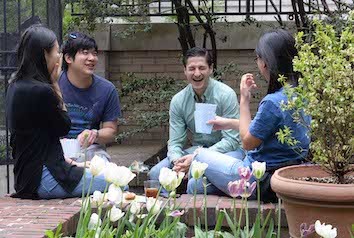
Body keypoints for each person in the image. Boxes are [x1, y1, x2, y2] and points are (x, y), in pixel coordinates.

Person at [187, 30, 311, 202]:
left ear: (266, 63)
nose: (258, 63)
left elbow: (247, 142)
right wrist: (229, 123)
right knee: (195, 185)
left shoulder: (273, 102)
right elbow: (268, 128)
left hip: (259, 179)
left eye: (258, 58)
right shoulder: (300, 94)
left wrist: (244, 99)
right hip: (285, 175)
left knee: (199, 155)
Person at [6, 25, 108, 199]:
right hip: (45, 178)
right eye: (56, 51)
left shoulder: (14, 85)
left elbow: (39, 137)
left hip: (25, 177)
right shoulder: (43, 90)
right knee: (117, 181)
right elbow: (64, 127)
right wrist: (54, 84)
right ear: (44, 54)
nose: (58, 56)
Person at [149, 47, 244, 194]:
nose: (197, 73)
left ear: (211, 69)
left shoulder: (226, 95)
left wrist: (196, 158)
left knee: (196, 183)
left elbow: (231, 141)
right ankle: (170, 212)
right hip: (196, 150)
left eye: (202, 68)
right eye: (192, 68)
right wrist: (177, 162)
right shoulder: (179, 101)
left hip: (228, 151)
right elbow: (175, 142)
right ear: (185, 71)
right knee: (155, 174)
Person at [59, 32, 121, 161]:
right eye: (85, 52)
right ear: (68, 58)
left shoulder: (107, 89)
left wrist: (95, 133)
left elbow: (111, 131)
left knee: (105, 174)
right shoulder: (53, 84)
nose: (92, 58)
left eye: (94, 53)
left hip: (91, 150)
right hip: (56, 148)